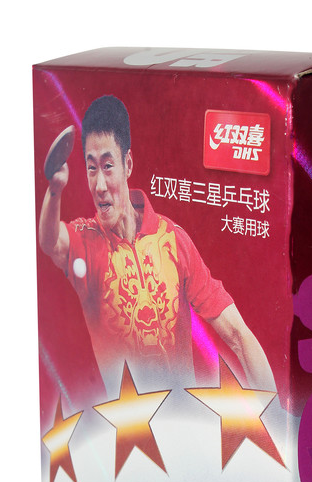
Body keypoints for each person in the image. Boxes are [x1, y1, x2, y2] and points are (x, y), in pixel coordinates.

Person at [39, 95, 276, 393]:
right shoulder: (86, 241)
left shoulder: (173, 239)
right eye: (91, 168)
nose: (99, 185)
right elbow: (51, 241)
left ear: (127, 164)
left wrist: (274, 413)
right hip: (126, 423)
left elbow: (238, 336)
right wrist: (55, 191)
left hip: (185, 417)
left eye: (108, 166)